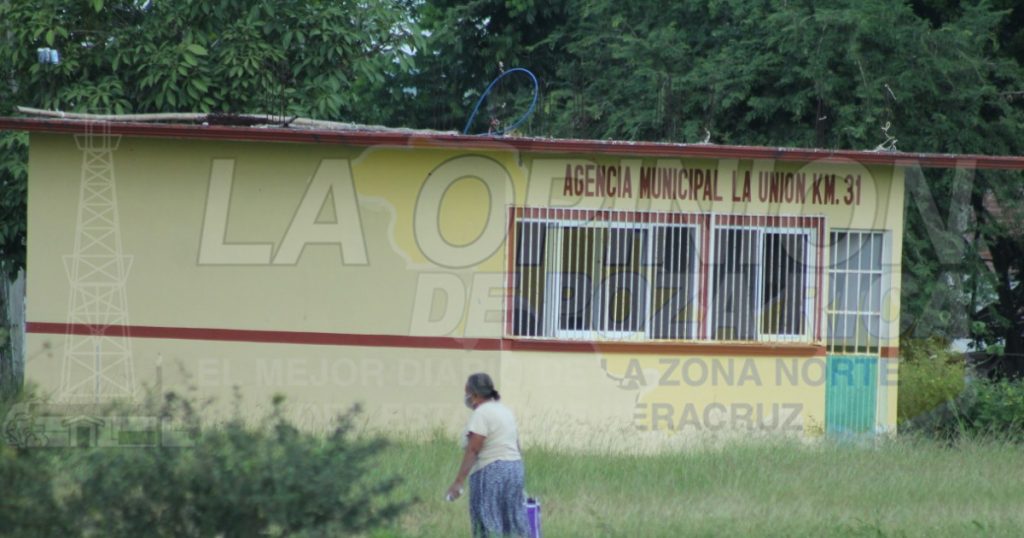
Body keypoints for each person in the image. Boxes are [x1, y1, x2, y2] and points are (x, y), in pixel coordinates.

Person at [446, 373, 529, 537]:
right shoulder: (505, 411)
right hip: (514, 469)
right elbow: (516, 445)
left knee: (487, 520)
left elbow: (473, 449)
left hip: (490, 471)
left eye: (467, 392)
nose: (466, 397)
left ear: (475, 395)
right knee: (511, 520)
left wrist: (458, 482)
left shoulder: (482, 413)